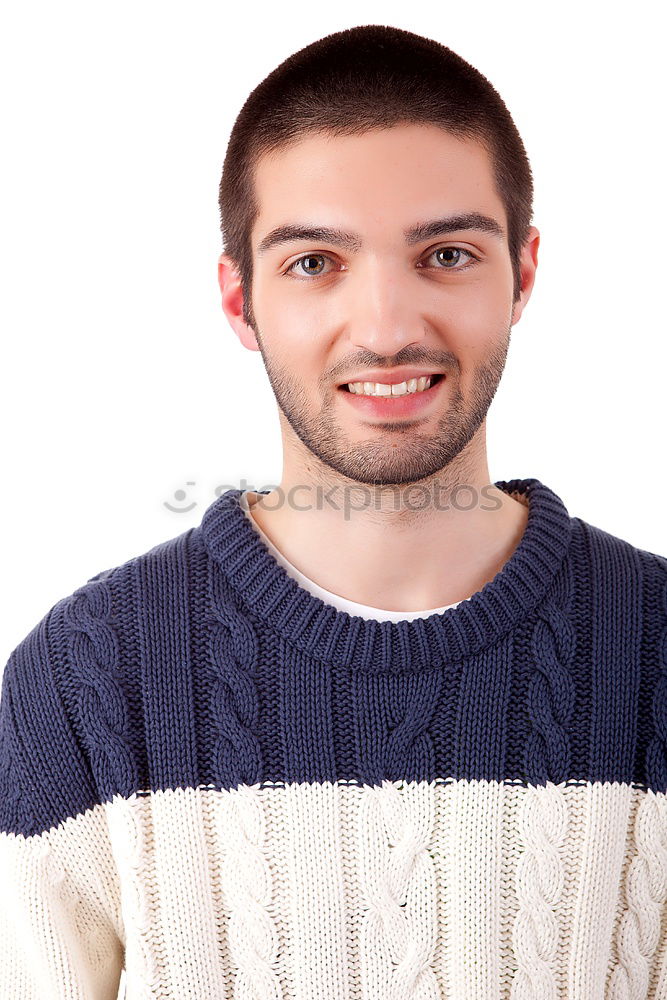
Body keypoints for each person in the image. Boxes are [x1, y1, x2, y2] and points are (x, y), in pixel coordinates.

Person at [2, 23, 666, 998]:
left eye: (445, 253)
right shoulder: (81, 687)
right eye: (315, 262)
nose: (389, 327)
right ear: (239, 299)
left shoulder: (654, 649)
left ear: (523, 273)